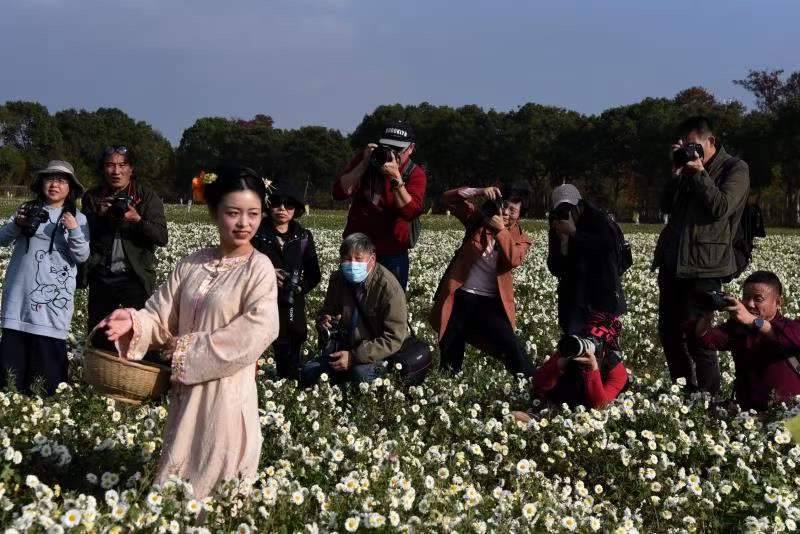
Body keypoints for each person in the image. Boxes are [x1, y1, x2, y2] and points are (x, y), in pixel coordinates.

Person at [99, 165, 279, 499]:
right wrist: (133, 321)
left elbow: (257, 331)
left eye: (253, 214)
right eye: (233, 213)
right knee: (176, 479)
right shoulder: (192, 264)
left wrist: (184, 351)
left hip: (226, 395)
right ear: (214, 212)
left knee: (216, 480)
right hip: (185, 396)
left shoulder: (259, 269)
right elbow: (160, 314)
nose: (244, 223)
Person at [653, 116, 750, 395]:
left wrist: (698, 173)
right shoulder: (685, 169)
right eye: (685, 146)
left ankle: (710, 398)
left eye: (694, 146)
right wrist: (676, 173)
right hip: (673, 263)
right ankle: (684, 392)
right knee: (669, 334)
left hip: (706, 266)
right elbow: (665, 206)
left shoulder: (736, 168)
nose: (690, 152)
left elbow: (721, 207)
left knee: (699, 336)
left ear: (712, 142)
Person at [0, 161, 89, 395]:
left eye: (61, 180)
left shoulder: (77, 218)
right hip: (18, 302)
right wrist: (17, 225)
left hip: (52, 309)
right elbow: (2, 239)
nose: (54, 184)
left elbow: (82, 255)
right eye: (50, 179)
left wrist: (74, 230)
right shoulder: (26, 209)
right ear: (41, 183)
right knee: (9, 380)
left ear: (71, 187)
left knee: (46, 384)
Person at [431, 185, 535, 378]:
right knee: (451, 355)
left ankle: (532, 384)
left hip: (490, 303)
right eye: (504, 205)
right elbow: (447, 199)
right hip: (460, 296)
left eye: (513, 210)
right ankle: (446, 386)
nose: (506, 212)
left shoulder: (521, 238)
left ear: (520, 215)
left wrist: (501, 231)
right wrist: (479, 191)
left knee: (511, 346)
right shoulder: (478, 220)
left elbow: (514, 259)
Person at [82, 146, 168, 351]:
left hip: (135, 275)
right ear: (103, 169)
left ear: (131, 169)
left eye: (122, 165)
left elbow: (161, 237)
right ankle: (100, 378)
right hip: (102, 274)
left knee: (139, 333)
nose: (116, 171)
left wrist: (138, 220)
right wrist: (98, 216)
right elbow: (82, 236)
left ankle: (136, 380)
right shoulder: (93, 197)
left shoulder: (146, 197)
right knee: (100, 334)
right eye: (110, 165)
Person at [300, 233, 408, 387]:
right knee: (309, 372)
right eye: (347, 259)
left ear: (372, 259)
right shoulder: (337, 280)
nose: (352, 264)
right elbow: (326, 312)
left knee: (358, 375)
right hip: (344, 348)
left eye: (358, 259)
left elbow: (394, 338)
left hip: (379, 355)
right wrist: (324, 321)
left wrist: (354, 357)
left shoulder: (388, 287)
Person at [333, 122, 427, 290]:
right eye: (386, 146)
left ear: (411, 148)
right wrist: (363, 163)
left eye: (397, 149)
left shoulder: (415, 173)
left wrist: (396, 178)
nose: (390, 153)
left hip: (392, 252)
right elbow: (339, 192)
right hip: (357, 249)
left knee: (389, 305)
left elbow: (410, 212)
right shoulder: (367, 161)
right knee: (351, 304)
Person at [695, 271, 800, 411]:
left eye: (758, 299)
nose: (750, 304)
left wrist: (753, 321)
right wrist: (707, 313)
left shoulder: (791, 327)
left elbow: (788, 339)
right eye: (746, 297)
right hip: (747, 415)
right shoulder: (739, 328)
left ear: (778, 302)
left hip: (787, 415)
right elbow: (706, 339)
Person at [252, 178, 321, 380]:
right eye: (276, 203)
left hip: (291, 302)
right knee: (254, 345)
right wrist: (266, 272)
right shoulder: (255, 233)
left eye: (289, 204)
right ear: (268, 205)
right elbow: (242, 262)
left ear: (296, 209)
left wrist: (298, 288)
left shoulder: (303, 237)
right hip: (259, 300)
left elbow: (314, 274)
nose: (282, 208)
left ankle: (287, 382)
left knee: (292, 342)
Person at [514, 313, 629, 421]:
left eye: (595, 342)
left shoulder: (616, 370)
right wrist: (557, 365)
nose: (588, 346)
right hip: (556, 407)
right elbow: (538, 385)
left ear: (607, 347)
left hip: (588, 420)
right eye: (585, 337)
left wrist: (592, 370)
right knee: (515, 417)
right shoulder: (572, 348)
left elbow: (600, 406)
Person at [547, 184, 626, 335]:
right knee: (574, 348)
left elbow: (604, 249)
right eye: (561, 209)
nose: (566, 212)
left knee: (602, 346)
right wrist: (564, 243)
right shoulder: (557, 225)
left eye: (569, 207)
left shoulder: (599, 220)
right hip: (573, 298)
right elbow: (555, 267)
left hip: (601, 296)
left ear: (580, 204)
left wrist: (574, 233)